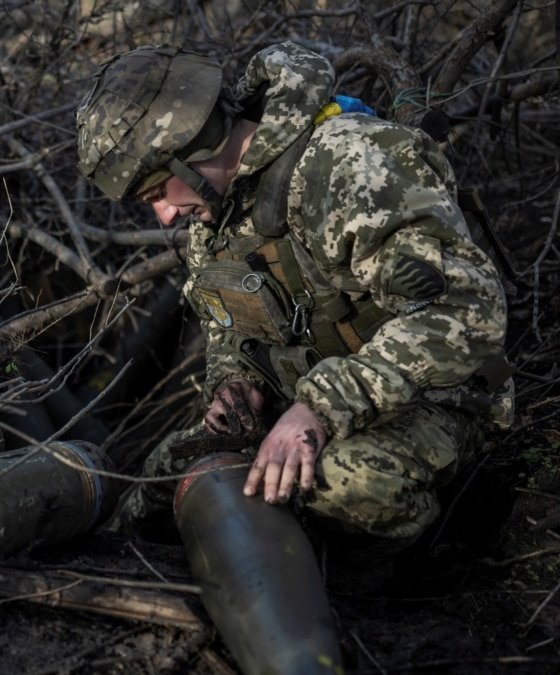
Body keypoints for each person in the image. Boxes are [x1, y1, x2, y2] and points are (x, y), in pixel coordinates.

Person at [74, 41, 515, 555]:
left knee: (347, 486)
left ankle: (424, 576)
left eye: (156, 194)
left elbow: (463, 313)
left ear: (193, 150)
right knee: (164, 482)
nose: (165, 218)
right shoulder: (215, 213)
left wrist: (320, 408)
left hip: (430, 399)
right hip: (309, 404)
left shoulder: (350, 164)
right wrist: (235, 385)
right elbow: (228, 328)